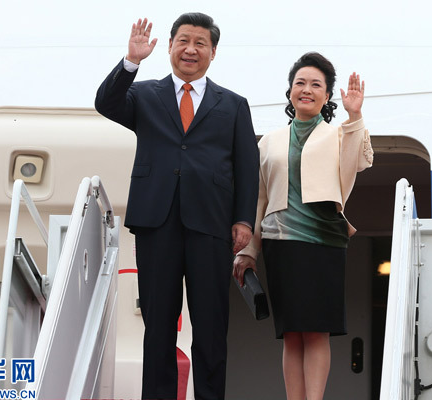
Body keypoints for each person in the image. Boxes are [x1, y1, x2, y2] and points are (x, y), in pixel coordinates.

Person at [95, 13, 259, 400]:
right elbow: (106, 103)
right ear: (169, 46)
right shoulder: (144, 95)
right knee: (158, 326)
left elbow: (247, 167)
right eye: (183, 40)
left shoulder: (233, 104)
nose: (190, 49)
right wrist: (131, 61)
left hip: (211, 224)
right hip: (157, 221)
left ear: (213, 52)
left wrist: (243, 220)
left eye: (200, 43)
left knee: (211, 326)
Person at [234, 52, 373, 400]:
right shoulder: (269, 141)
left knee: (316, 331)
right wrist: (249, 251)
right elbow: (259, 199)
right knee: (291, 332)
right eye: (300, 83)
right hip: (280, 243)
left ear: (327, 96)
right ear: (290, 91)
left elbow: (359, 162)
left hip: (323, 242)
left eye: (315, 85)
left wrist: (355, 115)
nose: (306, 90)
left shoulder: (340, 135)